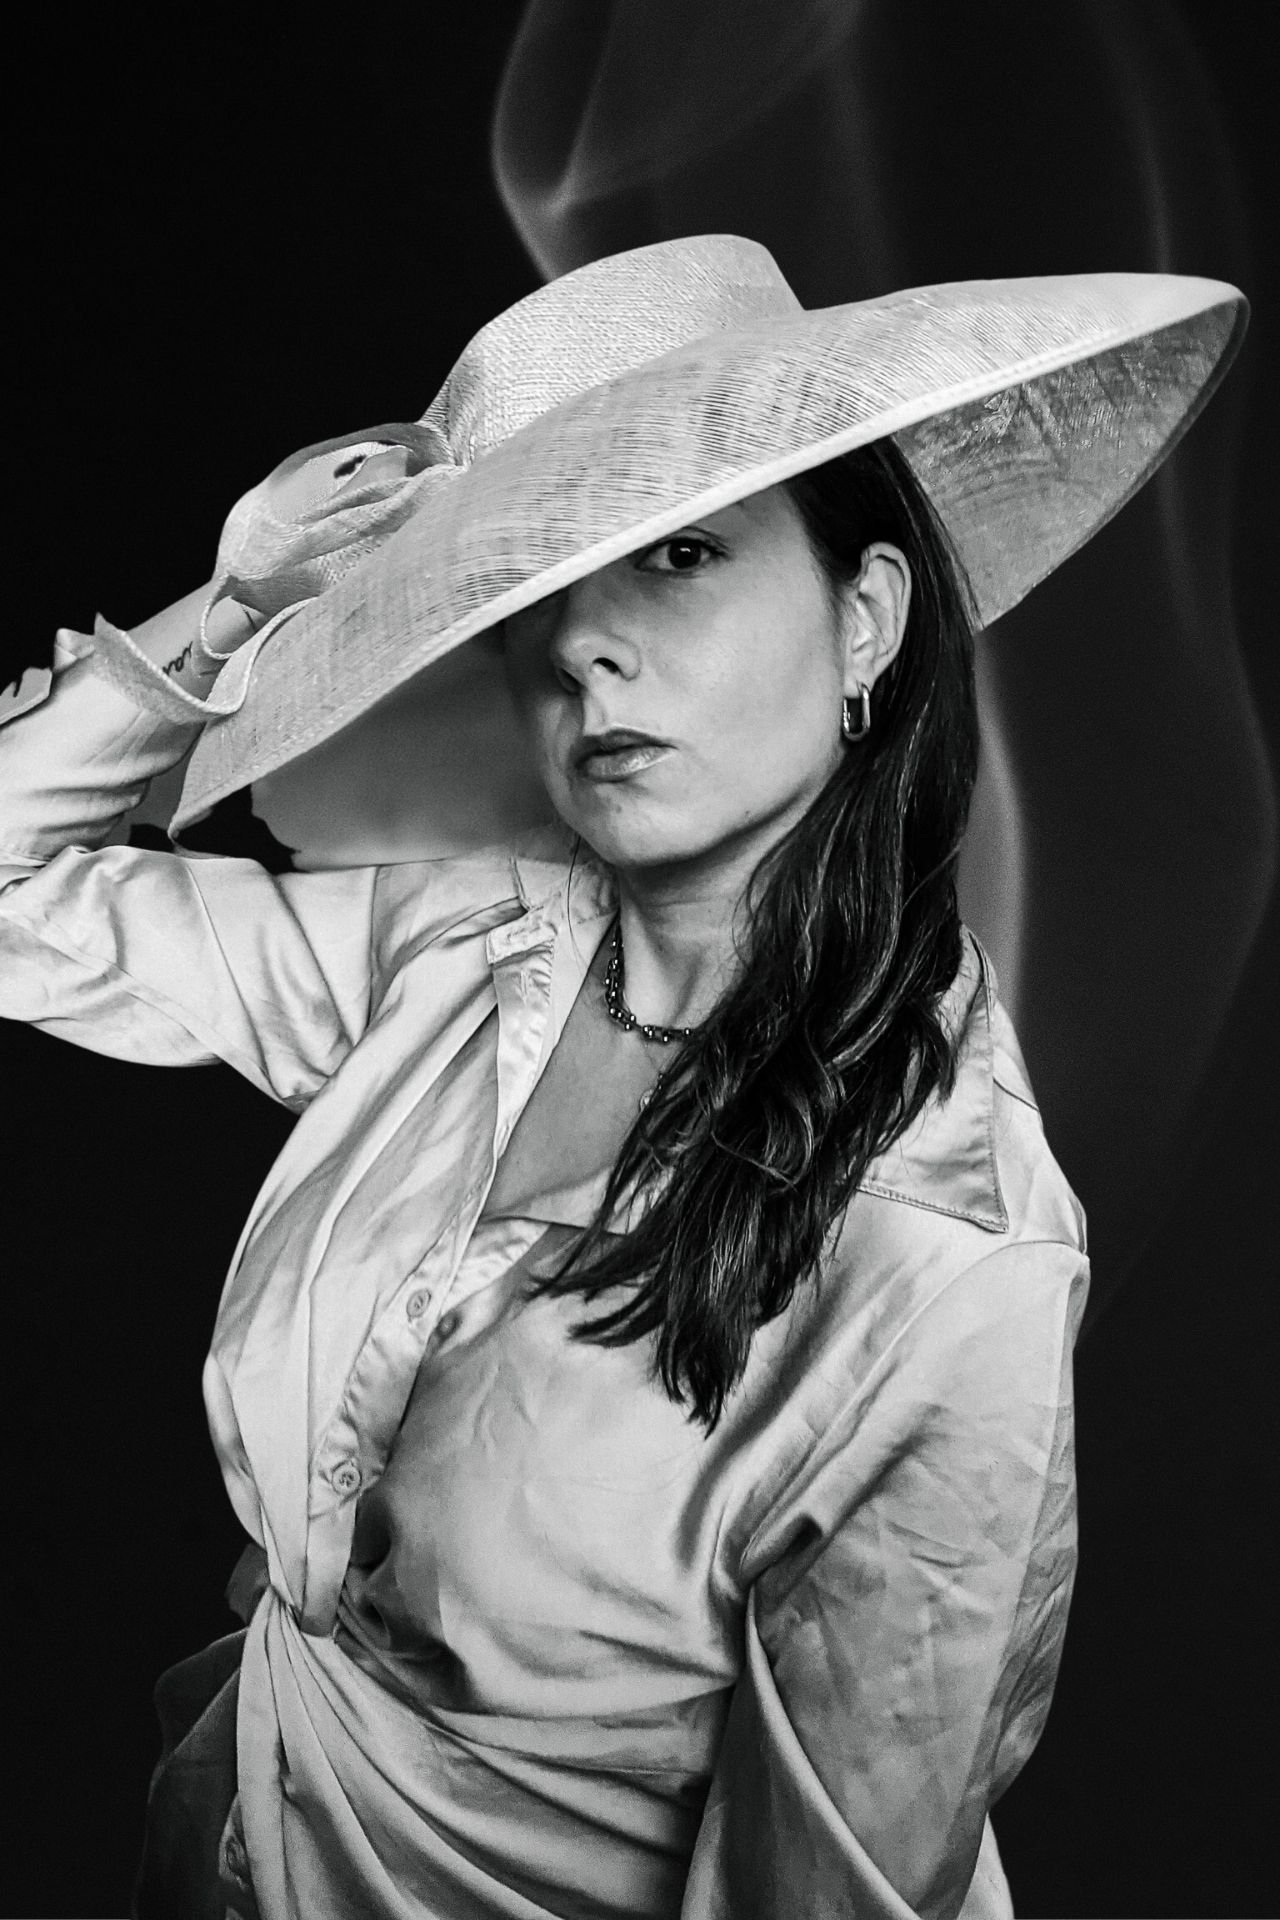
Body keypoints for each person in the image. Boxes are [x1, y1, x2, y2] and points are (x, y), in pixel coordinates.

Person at [0, 236, 1245, 1920]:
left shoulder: (945, 1249)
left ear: (864, 615)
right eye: (539, 591)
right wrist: (226, 617)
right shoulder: (463, 949)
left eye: (675, 552)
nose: (588, 645)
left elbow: (831, 1886)